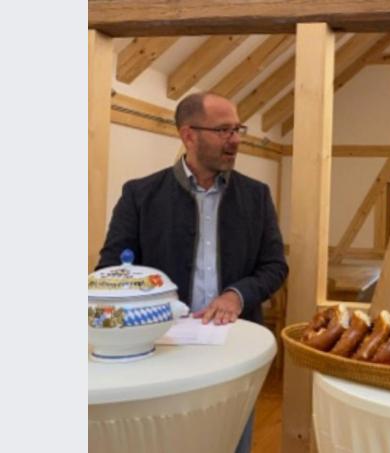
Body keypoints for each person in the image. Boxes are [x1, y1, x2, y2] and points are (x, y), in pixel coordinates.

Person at [96, 92, 288, 453]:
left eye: (238, 129)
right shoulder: (140, 195)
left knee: (233, 438)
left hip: (233, 343)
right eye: (223, 130)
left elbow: (275, 265)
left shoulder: (257, 196)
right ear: (188, 135)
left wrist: (237, 294)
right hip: (158, 350)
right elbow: (109, 270)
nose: (236, 140)